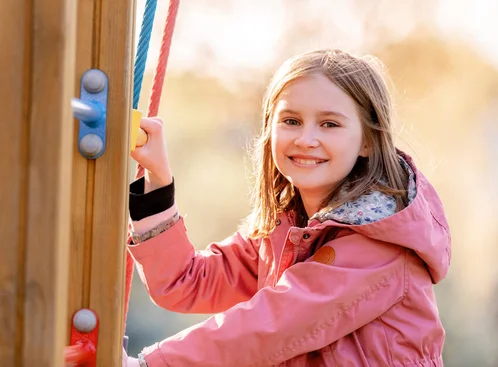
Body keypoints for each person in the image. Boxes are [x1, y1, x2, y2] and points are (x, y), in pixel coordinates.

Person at [123, 49, 451, 367]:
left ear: (367, 140)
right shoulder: (284, 233)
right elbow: (185, 282)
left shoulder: (379, 241)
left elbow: (273, 325)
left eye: (329, 124)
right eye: (291, 121)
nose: (306, 139)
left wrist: (151, 364)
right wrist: (157, 177)